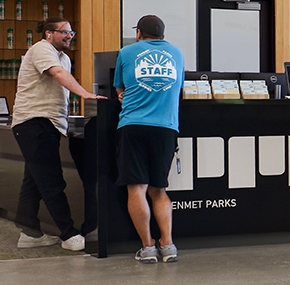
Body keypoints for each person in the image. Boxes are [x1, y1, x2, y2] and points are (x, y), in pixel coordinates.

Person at [10, 17, 101, 252]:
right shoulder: (42, 49)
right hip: (34, 122)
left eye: (72, 33)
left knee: (34, 180)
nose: (69, 36)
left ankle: (29, 232)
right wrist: (86, 94)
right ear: (49, 34)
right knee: (52, 180)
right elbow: (58, 74)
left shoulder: (65, 57)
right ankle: (69, 234)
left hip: (49, 124)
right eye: (64, 32)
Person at [114, 14, 185, 263]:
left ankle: (147, 247)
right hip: (166, 128)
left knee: (137, 188)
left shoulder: (126, 52)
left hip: (132, 126)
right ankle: (168, 244)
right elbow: (178, 87)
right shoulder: (176, 54)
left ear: (138, 34)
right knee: (159, 189)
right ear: (163, 36)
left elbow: (119, 88)